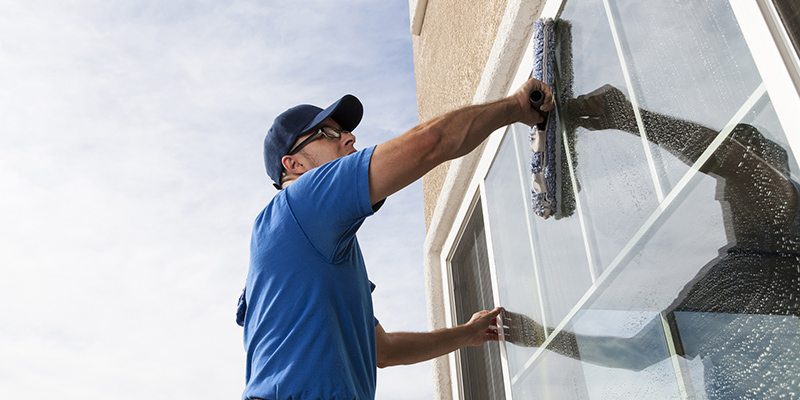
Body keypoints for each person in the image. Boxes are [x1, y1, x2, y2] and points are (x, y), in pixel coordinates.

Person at [238, 78, 554, 400]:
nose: (349, 138)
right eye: (329, 134)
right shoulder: (301, 204)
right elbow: (432, 141)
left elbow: (384, 351)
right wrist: (516, 107)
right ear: (293, 165)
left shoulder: (314, 253)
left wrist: (466, 335)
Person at [504, 84, 800, 399]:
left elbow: (738, 165)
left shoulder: (743, 277)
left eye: (729, 187)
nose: (721, 196)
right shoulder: (746, 272)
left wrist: (631, 118)